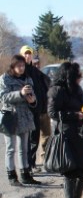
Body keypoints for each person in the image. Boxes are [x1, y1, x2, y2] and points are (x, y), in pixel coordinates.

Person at [47, 62, 83, 198]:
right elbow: (53, 113)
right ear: (70, 76)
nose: (81, 78)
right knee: (71, 170)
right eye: (78, 75)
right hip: (66, 133)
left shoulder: (77, 89)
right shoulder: (57, 90)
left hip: (80, 132)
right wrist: (75, 115)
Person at [0, 55, 39, 186]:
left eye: (23, 66)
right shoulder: (5, 79)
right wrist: (20, 94)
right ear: (13, 66)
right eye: (18, 66)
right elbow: (3, 97)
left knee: (24, 148)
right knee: (11, 148)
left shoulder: (28, 79)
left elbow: (32, 98)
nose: (21, 68)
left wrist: (33, 101)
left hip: (25, 116)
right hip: (10, 116)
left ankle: (25, 174)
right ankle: (11, 176)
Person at [20, 46, 50, 175]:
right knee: (30, 139)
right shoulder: (21, 71)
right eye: (25, 54)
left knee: (38, 137)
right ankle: (28, 165)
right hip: (28, 111)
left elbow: (46, 84)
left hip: (40, 110)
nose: (28, 56)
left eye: (29, 54)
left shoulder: (35, 70)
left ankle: (37, 163)